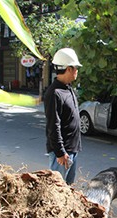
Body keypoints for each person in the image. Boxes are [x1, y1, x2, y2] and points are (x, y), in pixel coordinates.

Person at [43, 48, 82, 185]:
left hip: (72, 149)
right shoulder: (54, 93)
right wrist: (60, 152)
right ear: (69, 69)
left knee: (68, 189)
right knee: (57, 190)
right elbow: (53, 125)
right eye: (76, 67)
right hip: (62, 153)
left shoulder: (68, 89)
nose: (77, 71)